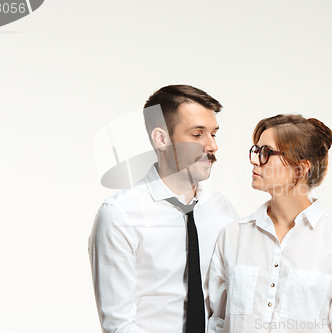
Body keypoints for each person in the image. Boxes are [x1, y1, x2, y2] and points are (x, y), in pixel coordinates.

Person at [89, 85, 239, 333]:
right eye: (197, 134)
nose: (212, 146)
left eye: (213, 134)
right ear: (161, 139)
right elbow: (119, 326)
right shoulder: (120, 215)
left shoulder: (221, 209)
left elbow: (230, 305)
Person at [208, 114, 332, 333]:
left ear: (300, 168)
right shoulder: (233, 236)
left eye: (266, 153)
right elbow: (217, 323)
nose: (254, 160)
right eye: (256, 151)